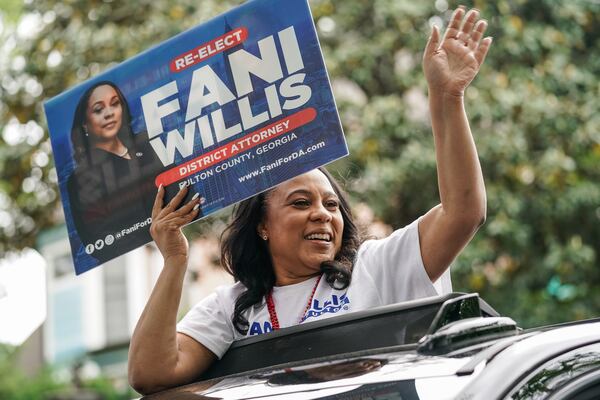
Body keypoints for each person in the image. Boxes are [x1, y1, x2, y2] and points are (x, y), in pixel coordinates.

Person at [128, 7, 492, 395]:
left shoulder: (375, 268)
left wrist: (447, 97)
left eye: (331, 205)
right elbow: (151, 375)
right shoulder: (232, 306)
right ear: (262, 225)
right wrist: (175, 262)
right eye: (301, 203)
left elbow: (463, 212)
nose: (322, 214)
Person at [67, 81, 168, 264]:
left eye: (115, 104)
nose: (109, 113)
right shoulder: (80, 179)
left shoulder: (147, 143)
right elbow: (98, 241)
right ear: (84, 125)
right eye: (98, 109)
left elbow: (181, 188)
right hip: (137, 263)